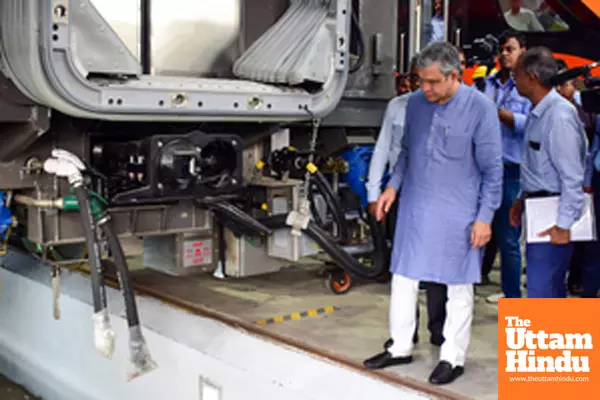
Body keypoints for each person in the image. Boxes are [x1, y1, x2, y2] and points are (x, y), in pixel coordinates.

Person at [363, 42, 503, 385]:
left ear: (455, 76)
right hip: (415, 207)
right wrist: (392, 188)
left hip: (460, 213)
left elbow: (493, 170)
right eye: (420, 80)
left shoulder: (480, 109)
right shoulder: (414, 105)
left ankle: (452, 357)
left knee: (458, 285)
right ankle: (399, 347)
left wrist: (485, 216)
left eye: (432, 82)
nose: (424, 88)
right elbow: (407, 154)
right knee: (404, 277)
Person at [366, 56, 447, 347]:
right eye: (415, 78)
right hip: (400, 194)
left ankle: (439, 331)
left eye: (426, 78)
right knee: (403, 267)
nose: (419, 84)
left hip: (436, 197)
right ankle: (405, 333)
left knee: (437, 268)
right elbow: (383, 148)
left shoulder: (444, 107)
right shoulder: (397, 107)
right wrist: (374, 194)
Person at [509, 47, 587, 298]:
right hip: (538, 209)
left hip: (553, 214)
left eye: (516, 74)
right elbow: (535, 164)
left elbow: (572, 177)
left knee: (542, 292)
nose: (514, 80)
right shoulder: (539, 112)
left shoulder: (559, 117)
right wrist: (521, 198)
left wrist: (564, 225)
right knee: (544, 292)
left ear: (531, 77)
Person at [481, 30, 531, 302]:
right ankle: (474, 278)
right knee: (477, 228)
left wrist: (502, 115)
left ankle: (512, 295)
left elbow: (530, 123)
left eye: (510, 48)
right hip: (485, 167)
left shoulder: (526, 85)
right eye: (501, 49)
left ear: (522, 51)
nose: (504, 54)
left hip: (512, 169)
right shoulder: (488, 83)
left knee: (509, 238)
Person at [555, 57, 598, 295]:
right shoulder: (570, 110)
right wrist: (588, 182)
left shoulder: (584, 109)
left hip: (585, 176)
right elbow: (593, 149)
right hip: (587, 179)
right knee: (587, 240)